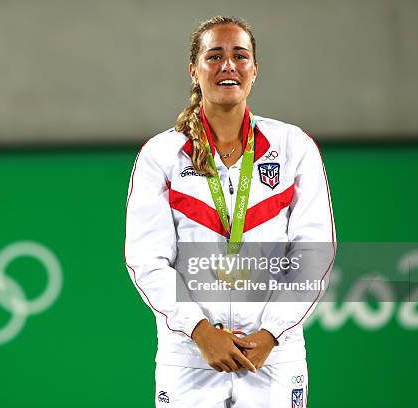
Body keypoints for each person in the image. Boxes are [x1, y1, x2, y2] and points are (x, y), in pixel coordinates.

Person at [124, 16, 335, 407]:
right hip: (190, 359)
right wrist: (200, 331)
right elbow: (146, 260)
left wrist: (271, 334)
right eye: (214, 56)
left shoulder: (292, 147)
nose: (228, 65)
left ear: (254, 69)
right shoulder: (161, 155)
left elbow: (313, 252)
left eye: (240, 56)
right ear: (194, 70)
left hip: (273, 358)